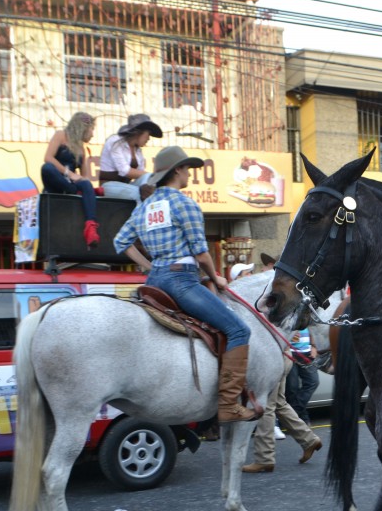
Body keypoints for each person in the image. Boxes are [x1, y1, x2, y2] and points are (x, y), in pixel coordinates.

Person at [114, 146, 259, 423]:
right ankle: (229, 404)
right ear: (178, 170)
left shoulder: (145, 207)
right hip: (181, 280)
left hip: (154, 280)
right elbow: (201, 252)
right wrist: (216, 275)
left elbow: (120, 242)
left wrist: (149, 266)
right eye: (188, 169)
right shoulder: (185, 204)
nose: (190, 174)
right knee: (238, 329)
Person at [242, 356, 323, 473]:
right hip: (283, 357)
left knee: (266, 407)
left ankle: (264, 458)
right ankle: (309, 440)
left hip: (271, 359)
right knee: (279, 403)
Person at [40, 112, 101, 248]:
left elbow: (84, 177)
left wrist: (87, 187)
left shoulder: (81, 149)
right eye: (92, 129)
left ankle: (91, 227)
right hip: (55, 183)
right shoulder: (61, 135)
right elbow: (48, 157)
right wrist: (69, 173)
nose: (92, 134)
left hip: (69, 187)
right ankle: (79, 192)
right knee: (47, 168)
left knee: (85, 183)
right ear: (83, 127)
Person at [99, 113, 162, 202]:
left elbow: (142, 175)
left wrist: (151, 180)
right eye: (148, 134)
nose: (148, 138)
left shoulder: (138, 150)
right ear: (139, 132)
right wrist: (153, 176)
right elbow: (124, 171)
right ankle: (140, 215)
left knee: (148, 184)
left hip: (126, 185)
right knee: (138, 192)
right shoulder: (115, 141)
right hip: (108, 185)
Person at [284, 327, 319, 425]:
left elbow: (311, 328)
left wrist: (314, 346)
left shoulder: (306, 313)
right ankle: (303, 418)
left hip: (307, 353)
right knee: (292, 388)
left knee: (313, 382)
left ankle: (293, 413)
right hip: (290, 352)